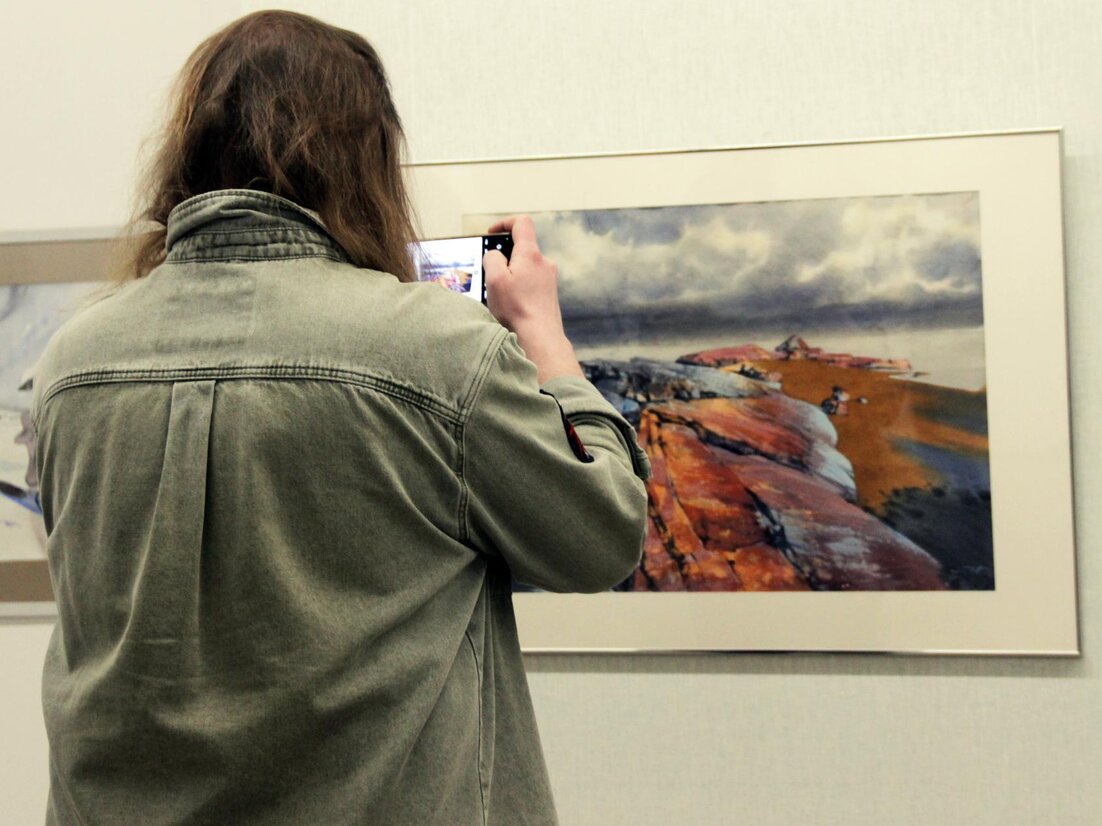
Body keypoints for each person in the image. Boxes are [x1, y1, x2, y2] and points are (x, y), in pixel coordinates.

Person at [31, 11, 649, 826]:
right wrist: (544, 334)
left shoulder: (72, 363)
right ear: (361, 161)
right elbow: (600, 536)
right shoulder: (431, 349)